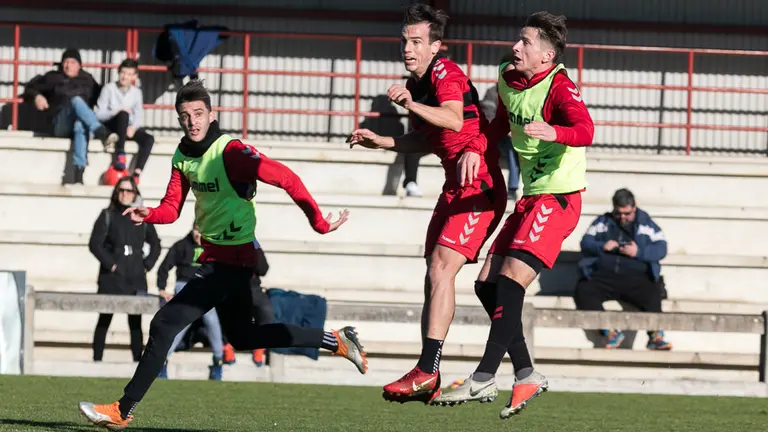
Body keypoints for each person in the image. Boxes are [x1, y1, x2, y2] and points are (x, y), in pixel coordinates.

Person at [78, 80, 368, 429]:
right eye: (185, 116)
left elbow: (286, 177)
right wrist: (149, 213)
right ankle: (334, 340)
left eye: (198, 114)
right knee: (244, 337)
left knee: (163, 323)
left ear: (211, 114)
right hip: (220, 260)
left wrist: (319, 223)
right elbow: (172, 209)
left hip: (232, 259)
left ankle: (123, 410)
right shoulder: (183, 156)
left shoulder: (230, 152)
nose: (192, 121)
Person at [432, 12, 594, 418]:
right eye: (518, 40)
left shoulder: (559, 85)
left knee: (509, 282)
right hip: (530, 197)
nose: (516, 47)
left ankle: (485, 374)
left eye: (525, 42)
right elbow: (501, 123)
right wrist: (475, 145)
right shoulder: (507, 76)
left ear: (547, 54)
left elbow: (586, 129)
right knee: (487, 285)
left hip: (558, 198)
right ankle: (525, 373)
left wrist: (554, 132)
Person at [348, 4, 506, 403]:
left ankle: (428, 370)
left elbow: (453, 119)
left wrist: (408, 105)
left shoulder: (444, 73)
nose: (408, 48)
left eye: (417, 41)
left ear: (437, 46)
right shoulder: (417, 83)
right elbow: (427, 138)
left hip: (479, 185)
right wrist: (382, 141)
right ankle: (429, 371)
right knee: (431, 273)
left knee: (440, 268)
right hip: (455, 186)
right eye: (405, 41)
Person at [575, 188, 672, 350]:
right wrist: (602, 246)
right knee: (583, 290)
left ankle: (655, 336)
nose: (623, 217)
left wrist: (638, 252)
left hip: (636, 279)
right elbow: (585, 242)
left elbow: (661, 248)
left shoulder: (646, 224)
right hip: (604, 277)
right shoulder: (602, 222)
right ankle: (609, 332)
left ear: (634, 207)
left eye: (627, 213)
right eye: (619, 213)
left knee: (653, 290)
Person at [88, 176, 161, 362]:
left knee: (135, 322)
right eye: (121, 190)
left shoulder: (142, 216)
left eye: (129, 191)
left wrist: (147, 264)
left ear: (135, 194)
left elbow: (156, 243)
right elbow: (95, 244)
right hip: (111, 277)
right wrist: (111, 264)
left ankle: (137, 363)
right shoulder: (107, 215)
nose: (124, 194)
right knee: (104, 318)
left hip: (135, 276)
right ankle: (97, 361)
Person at [23, 48, 118, 185]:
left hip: (80, 126)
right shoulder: (53, 77)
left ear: (79, 64)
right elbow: (29, 88)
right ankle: (99, 131)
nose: (68, 65)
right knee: (76, 100)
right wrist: (36, 96)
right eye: (65, 62)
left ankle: (78, 174)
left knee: (80, 125)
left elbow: (104, 98)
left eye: (72, 62)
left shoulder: (88, 80)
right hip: (60, 124)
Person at [155, 224, 227, 380]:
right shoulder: (182, 245)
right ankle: (162, 361)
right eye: (196, 229)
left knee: (212, 320)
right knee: (182, 321)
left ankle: (218, 360)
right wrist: (162, 288)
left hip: (206, 287)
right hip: (184, 284)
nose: (198, 234)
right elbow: (164, 267)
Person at [95, 58, 155, 185]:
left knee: (149, 139)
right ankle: (120, 154)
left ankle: (137, 173)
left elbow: (138, 114)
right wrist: (116, 112)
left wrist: (133, 127)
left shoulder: (137, 92)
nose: (125, 77)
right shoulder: (108, 88)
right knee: (123, 114)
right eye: (123, 73)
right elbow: (99, 114)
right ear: (118, 72)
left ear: (134, 76)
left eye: (129, 74)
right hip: (112, 125)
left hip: (127, 129)